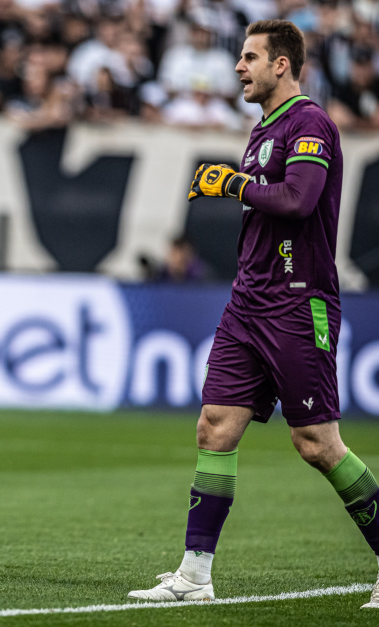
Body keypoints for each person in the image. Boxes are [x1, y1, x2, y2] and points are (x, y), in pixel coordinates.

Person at [129, 20, 379, 610]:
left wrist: (234, 185)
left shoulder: (310, 123)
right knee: (214, 424)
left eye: (249, 58)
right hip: (248, 301)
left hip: (298, 301)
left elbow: (299, 201)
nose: (239, 68)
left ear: (282, 65)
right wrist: (237, 184)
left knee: (317, 442)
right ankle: (195, 575)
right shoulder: (262, 127)